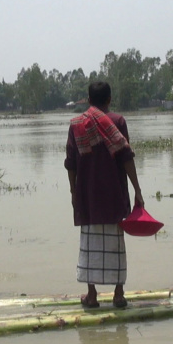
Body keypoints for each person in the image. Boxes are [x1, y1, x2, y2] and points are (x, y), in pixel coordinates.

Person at [64, 81, 144, 309]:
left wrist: (73, 191)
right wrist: (137, 190)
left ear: (89, 100)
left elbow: (71, 163)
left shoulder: (77, 124)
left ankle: (92, 296)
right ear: (109, 99)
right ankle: (118, 295)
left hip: (87, 193)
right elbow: (126, 157)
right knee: (115, 243)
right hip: (114, 193)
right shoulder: (117, 122)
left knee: (89, 243)